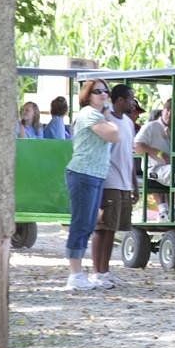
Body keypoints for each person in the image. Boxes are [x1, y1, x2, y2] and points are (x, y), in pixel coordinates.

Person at [65, 78, 119, 290]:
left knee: (89, 224)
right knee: (81, 223)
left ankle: (82, 274)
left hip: (95, 175)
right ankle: (75, 275)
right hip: (82, 173)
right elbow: (113, 134)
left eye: (106, 91)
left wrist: (108, 117)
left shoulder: (99, 115)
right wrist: (111, 120)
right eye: (98, 91)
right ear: (88, 95)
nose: (103, 95)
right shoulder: (89, 113)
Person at [90, 84, 138, 288]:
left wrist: (134, 183)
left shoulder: (128, 122)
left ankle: (105, 270)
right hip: (108, 179)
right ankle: (96, 272)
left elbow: (129, 154)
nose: (133, 102)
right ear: (119, 101)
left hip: (124, 182)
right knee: (102, 228)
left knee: (113, 229)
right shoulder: (106, 120)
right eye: (130, 98)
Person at [134, 98, 175, 221]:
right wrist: (160, 154)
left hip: (170, 166)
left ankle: (173, 210)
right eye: (168, 110)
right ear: (163, 111)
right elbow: (137, 146)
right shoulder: (151, 126)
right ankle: (173, 210)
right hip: (154, 167)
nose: (170, 114)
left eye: (174, 111)